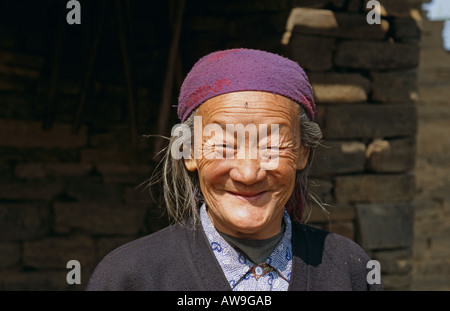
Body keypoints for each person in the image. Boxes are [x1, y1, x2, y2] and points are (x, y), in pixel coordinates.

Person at [86, 48, 383, 291]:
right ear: (190, 152)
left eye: (271, 146)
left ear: (302, 153)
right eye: (224, 146)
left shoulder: (348, 271)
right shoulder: (129, 278)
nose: (248, 173)